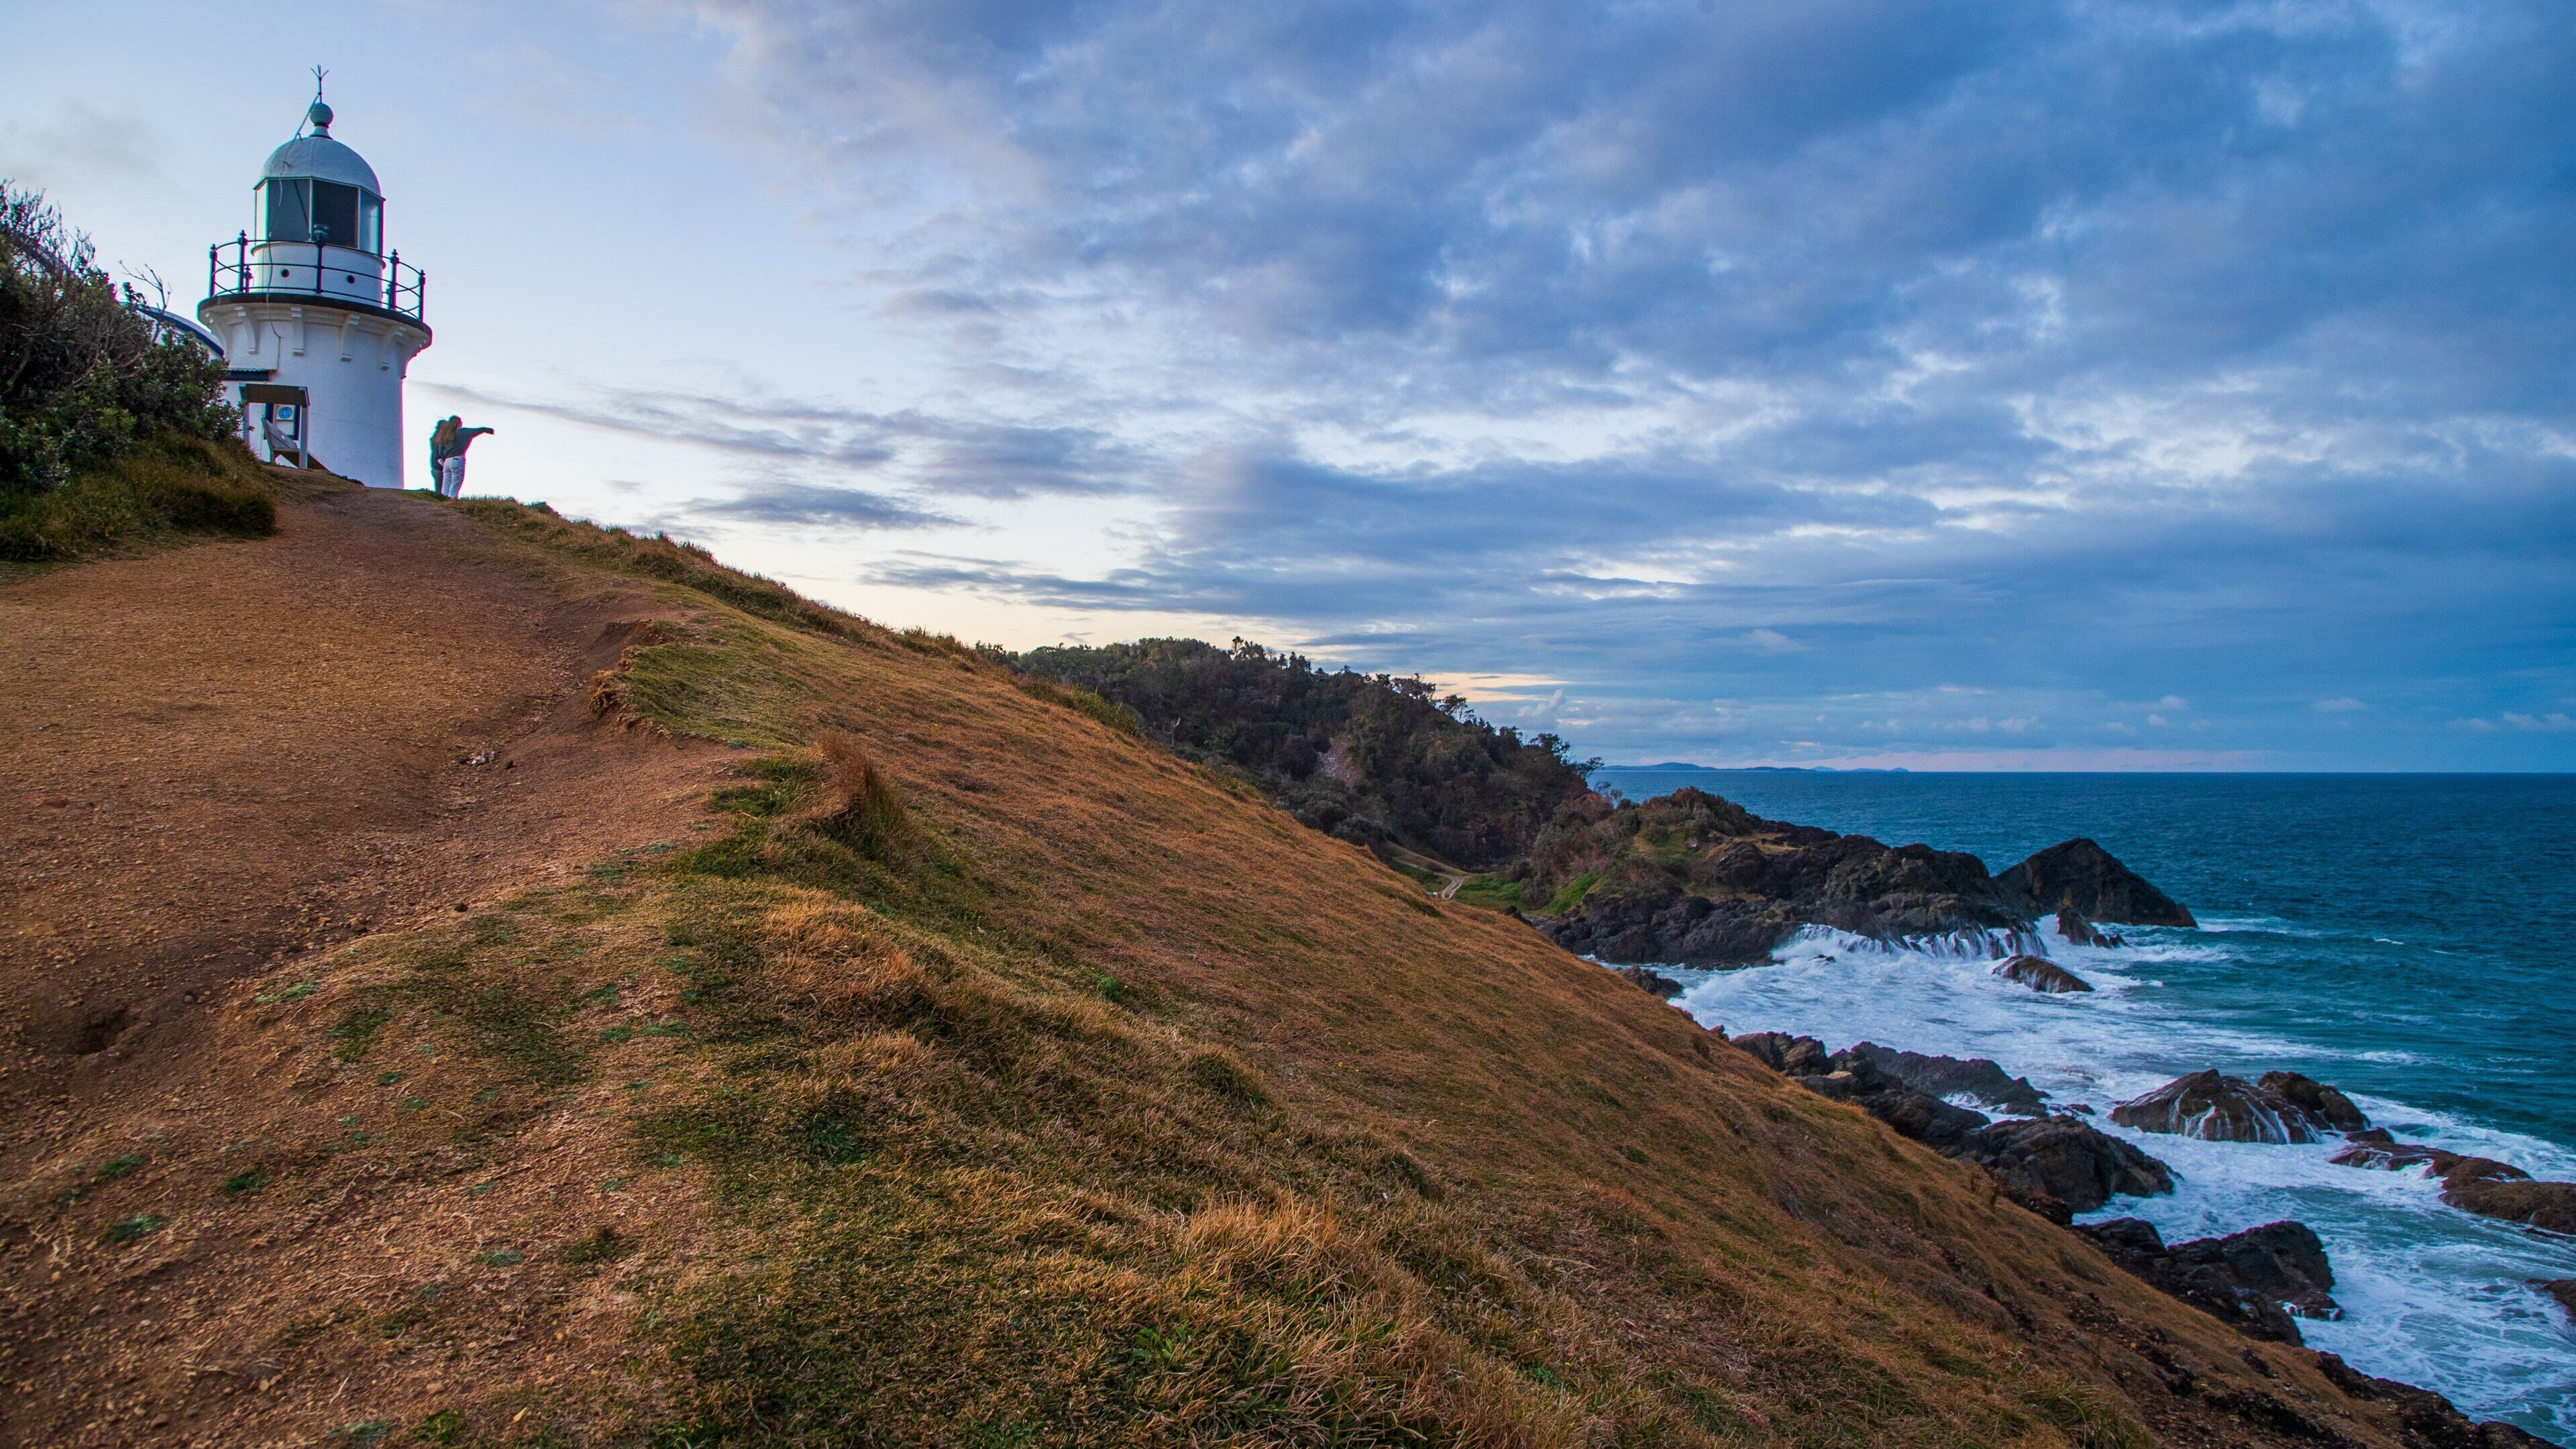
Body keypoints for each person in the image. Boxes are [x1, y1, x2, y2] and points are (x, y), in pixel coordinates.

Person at [427, 415, 494, 497]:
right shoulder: (463, 432)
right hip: (457, 460)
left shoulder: (446, 435)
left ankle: (444, 499)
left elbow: (440, 451)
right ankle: (452, 501)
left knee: (446, 484)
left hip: (447, 462)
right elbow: (478, 430)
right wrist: (488, 430)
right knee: (455, 483)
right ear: (459, 424)